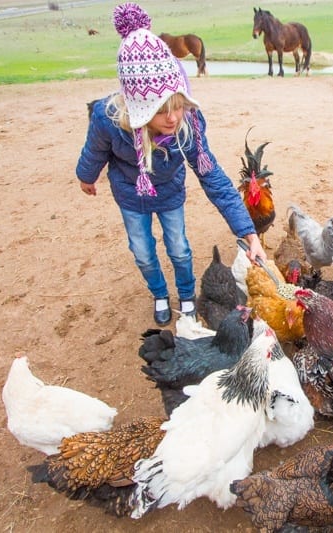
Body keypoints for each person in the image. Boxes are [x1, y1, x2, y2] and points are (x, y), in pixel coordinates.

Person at [76, 2, 267, 326]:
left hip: (170, 192)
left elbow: (215, 179)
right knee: (142, 251)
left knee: (178, 248)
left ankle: (186, 295)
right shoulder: (108, 119)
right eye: (162, 110)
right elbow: (94, 151)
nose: (174, 117)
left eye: (178, 105)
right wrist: (86, 176)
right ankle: (160, 293)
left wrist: (250, 235)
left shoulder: (188, 125)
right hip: (128, 193)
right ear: (137, 107)